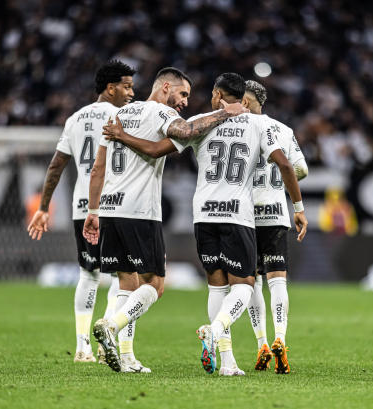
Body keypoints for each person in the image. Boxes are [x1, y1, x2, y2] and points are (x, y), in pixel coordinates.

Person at [100, 73, 308, 376]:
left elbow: (156, 150)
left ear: (217, 94)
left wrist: (122, 136)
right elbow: (287, 165)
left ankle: (228, 363)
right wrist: (299, 208)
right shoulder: (260, 124)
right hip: (237, 214)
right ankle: (216, 328)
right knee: (246, 287)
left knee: (216, 287)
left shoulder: (200, 122)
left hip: (203, 214)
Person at [83, 67, 248, 373]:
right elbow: (185, 132)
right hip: (139, 210)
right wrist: (227, 113)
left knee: (127, 284)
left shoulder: (117, 116)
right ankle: (112, 325)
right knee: (155, 285)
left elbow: (98, 169)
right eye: (182, 93)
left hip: (109, 207)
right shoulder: (158, 112)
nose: (185, 101)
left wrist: (92, 212)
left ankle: (127, 356)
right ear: (165, 87)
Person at [27, 60, 136, 364]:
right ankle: (107, 334)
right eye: (126, 86)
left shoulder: (75, 119)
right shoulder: (124, 116)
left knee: (88, 275)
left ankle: (82, 347)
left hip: (81, 208)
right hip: (113, 207)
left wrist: (43, 207)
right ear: (110, 87)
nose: (131, 92)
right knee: (124, 274)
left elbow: (56, 165)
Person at [242, 80, 308, 374]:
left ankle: (262, 343)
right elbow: (301, 169)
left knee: (252, 280)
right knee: (277, 280)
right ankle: (281, 337)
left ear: (248, 101)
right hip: (276, 212)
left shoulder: (235, 126)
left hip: (245, 214)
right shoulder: (282, 129)